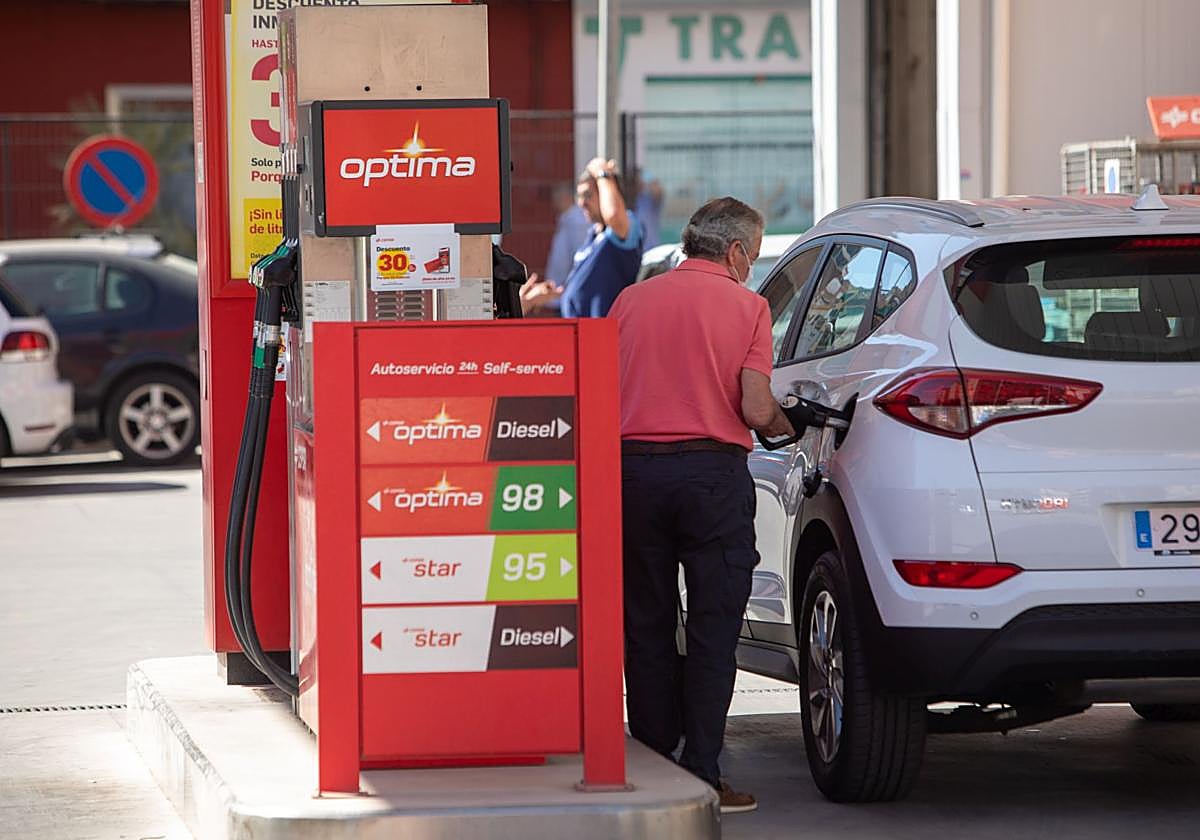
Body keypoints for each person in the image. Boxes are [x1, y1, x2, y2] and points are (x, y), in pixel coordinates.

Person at [608, 197, 793, 814]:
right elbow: (755, 406)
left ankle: (657, 771)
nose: (753, 266)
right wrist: (787, 427)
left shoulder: (632, 301)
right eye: (755, 254)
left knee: (646, 623)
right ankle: (705, 776)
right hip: (712, 478)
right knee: (714, 629)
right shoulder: (749, 307)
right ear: (737, 252)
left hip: (632, 474)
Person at [521, 157, 642, 317]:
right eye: (579, 196)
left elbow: (613, 215)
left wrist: (602, 173)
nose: (581, 203)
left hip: (605, 338)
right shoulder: (593, 237)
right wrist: (543, 298)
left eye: (588, 195)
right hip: (582, 335)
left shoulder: (625, 226)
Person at [543, 182, 593, 288]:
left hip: (567, 289)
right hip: (559, 289)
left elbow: (579, 255)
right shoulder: (566, 219)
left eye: (558, 196)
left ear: (567, 197)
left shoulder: (577, 221)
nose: (555, 200)